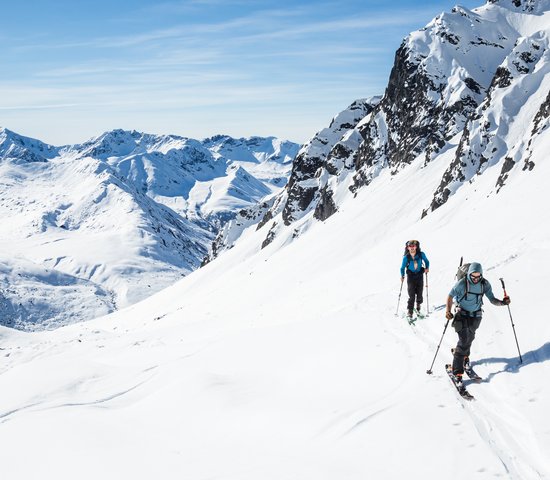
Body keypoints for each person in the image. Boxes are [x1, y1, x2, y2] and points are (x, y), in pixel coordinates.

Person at [445, 262, 510, 382]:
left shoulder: (484, 284)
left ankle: (464, 357)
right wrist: (448, 311)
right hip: (462, 314)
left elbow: (492, 299)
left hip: (476, 316)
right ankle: (457, 372)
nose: (475, 279)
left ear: (481, 275)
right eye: (473, 276)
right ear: (469, 274)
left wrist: (502, 302)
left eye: (478, 276)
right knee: (464, 340)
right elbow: (450, 296)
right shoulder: (462, 283)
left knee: (470, 338)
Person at [400, 240, 429, 318]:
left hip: (419, 274)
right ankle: (410, 311)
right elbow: (402, 268)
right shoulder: (406, 257)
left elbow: (426, 261)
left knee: (419, 293)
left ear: (416, 247)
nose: (412, 248)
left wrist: (427, 268)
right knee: (411, 294)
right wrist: (402, 276)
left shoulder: (421, 254)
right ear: (408, 248)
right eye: (410, 247)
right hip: (411, 276)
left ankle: (418, 304)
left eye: (413, 246)